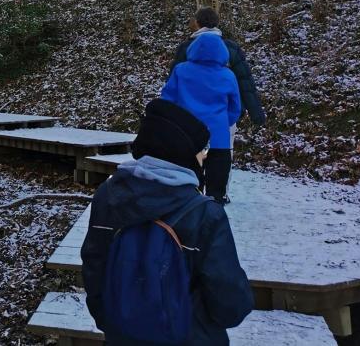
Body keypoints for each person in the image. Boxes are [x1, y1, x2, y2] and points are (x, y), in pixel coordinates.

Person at [81, 99, 253, 345]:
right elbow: (231, 304)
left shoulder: (108, 196)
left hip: (123, 335)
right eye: (201, 150)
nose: (205, 156)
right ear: (183, 152)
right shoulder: (204, 214)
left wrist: (114, 323)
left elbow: (94, 269)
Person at [162, 33, 241, 204]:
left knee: (186, 187)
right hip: (218, 141)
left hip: (186, 138)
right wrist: (221, 123)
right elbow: (235, 108)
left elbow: (167, 101)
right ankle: (213, 216)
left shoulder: (181, 71)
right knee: (216, 192)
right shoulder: (228, 75)